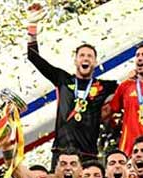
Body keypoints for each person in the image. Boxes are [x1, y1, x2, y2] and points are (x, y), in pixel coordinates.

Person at [26, 3, 118, 168]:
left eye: (90, 56)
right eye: (82, 55)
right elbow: (33, 58)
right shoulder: (62, 79)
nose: (86, 58)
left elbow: (130, 88)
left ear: (95, 62)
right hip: (61, 152)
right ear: (75, 61)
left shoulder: (105, 86)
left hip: (88, 155)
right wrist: (32, 26)